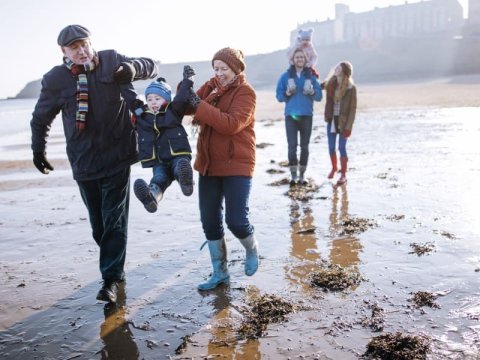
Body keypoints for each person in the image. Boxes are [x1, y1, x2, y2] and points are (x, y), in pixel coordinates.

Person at [30, 25, 157, 303]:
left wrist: (133, 68)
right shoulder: (56, 80)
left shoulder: (111, 60)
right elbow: (40, 118)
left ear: (91, 43)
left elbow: (152, 66)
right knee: (99, 227)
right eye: (74, 47)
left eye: (84, 44)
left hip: (118, 156)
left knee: (114, 220)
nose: (81, 51)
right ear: (63, 51)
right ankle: (115, 265)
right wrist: (38, 150)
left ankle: (110, 280)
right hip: (84, 161)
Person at [186, 47, 259, 291]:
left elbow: (231, 124)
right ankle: (220, 272)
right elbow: (187, 105)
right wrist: (185, 88)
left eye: (224, 69)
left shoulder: (246, 93)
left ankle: (251, 248)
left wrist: (199, 105)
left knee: (237, 221)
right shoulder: (211, 87)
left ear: (235, 69)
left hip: (237, 164)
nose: (219, 73)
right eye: (216, 69)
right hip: (208, 164)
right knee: (209, 221)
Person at [132, 66, 195, 213]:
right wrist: (123, 83)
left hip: (177, 155)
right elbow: (131, 102)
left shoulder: (173, 110)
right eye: (149, 99)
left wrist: (188, 80)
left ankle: (186, 182)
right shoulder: (142, 116)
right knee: (159, 179)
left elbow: (181, 96)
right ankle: (151, 198)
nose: (153, 102)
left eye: (157, 98)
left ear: (166, 100)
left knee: (180, 167)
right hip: (159, 160)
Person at [276, 48, 323, 186]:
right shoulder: (285, 77)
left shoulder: (311, 77)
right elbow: (279, 96)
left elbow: (319, 96)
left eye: (302, 57)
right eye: (297, 57)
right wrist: (287, 93)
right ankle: (293, 176)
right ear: (293, 60)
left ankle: (302, 175)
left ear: (305, 59)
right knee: (292, 146)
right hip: (291, 116)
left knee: (305, 147)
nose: (299, 59)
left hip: (307, 115)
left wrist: (312, 91)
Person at [322, 61, 357, 185]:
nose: (336, 68)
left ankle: (343, 175)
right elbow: (318, 86)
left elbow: (353, 109)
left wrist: (349, 127)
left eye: (339, 68)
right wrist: (311, 72)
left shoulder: (351, 88)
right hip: (331, 120)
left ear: (344, 71)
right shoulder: (330, 84)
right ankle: (334, 168)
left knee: (341, 147)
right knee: (331, 148)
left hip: (344, 123)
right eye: (336, 66)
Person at [286, 28, 319, 96]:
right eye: (303, 40)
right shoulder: (297, 46)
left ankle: (307, 86)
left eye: (307, 40)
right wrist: (291, 61)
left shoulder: (310, 48)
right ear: (300, 40)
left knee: (308, 73)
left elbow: (315, 56)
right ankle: (291, 84)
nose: (305, 42)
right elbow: (290, 54)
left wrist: (311, 64)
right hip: (294, 64)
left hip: (307, 65)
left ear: (310, 40)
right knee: (291, 71)